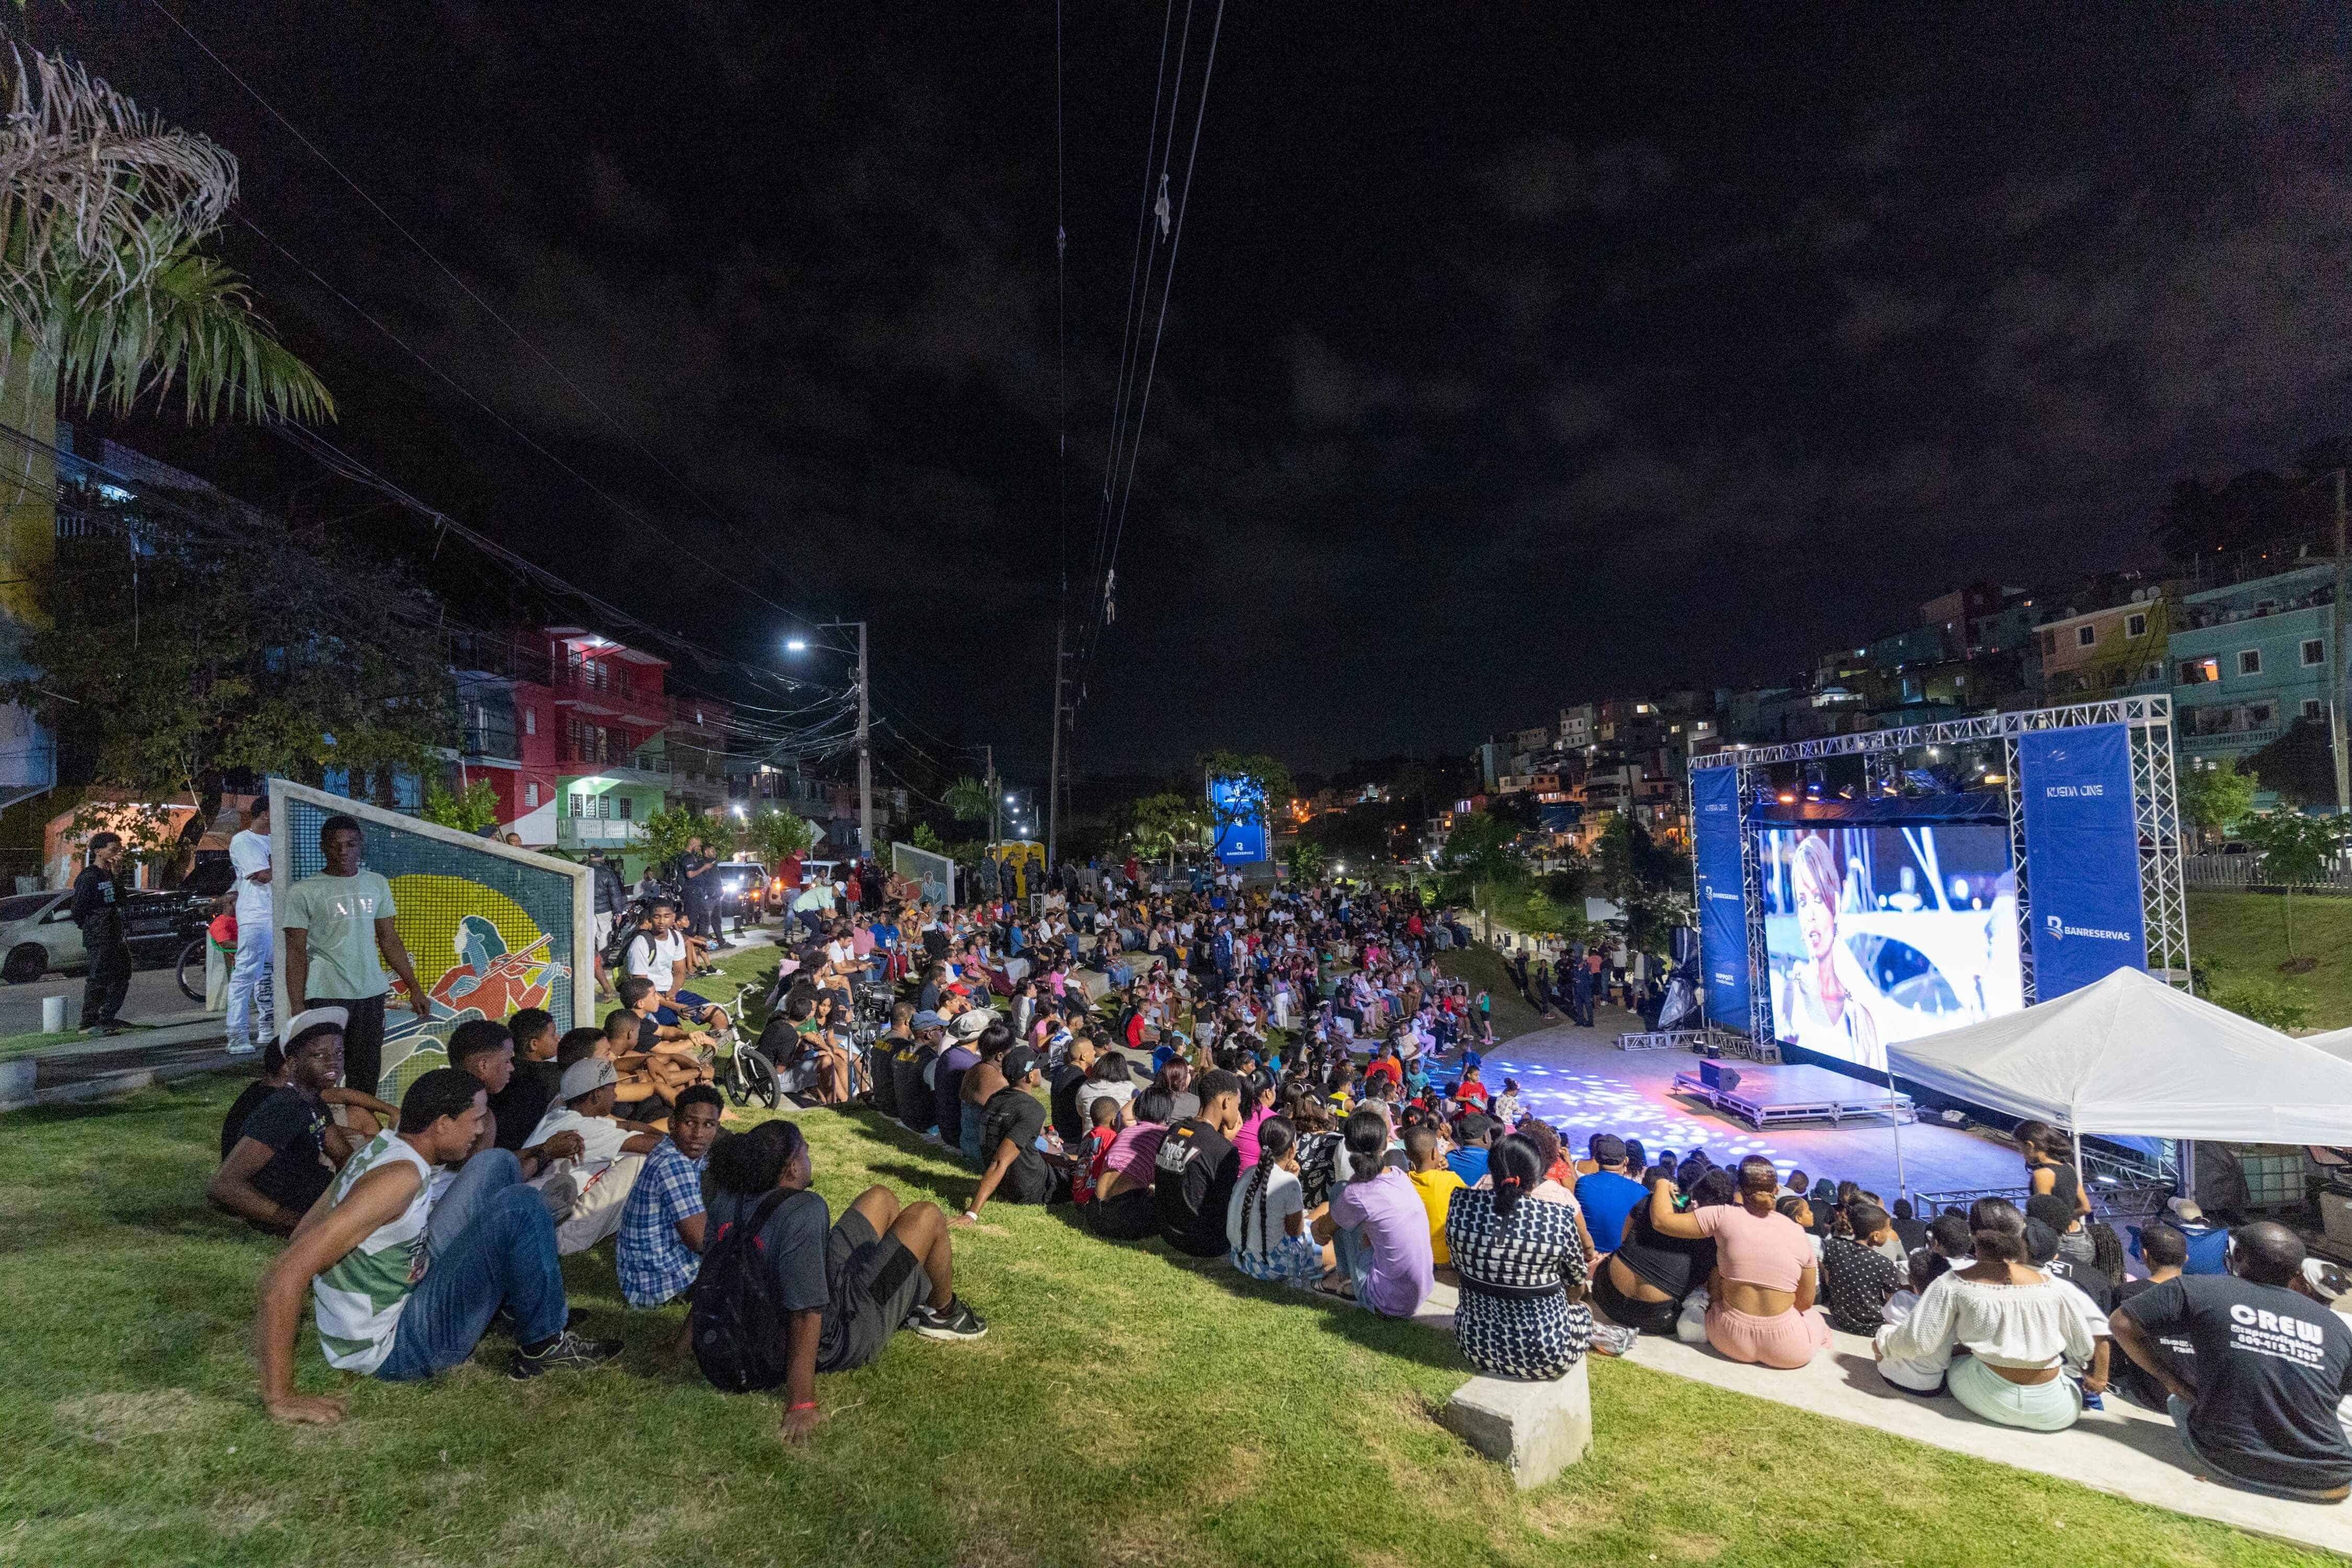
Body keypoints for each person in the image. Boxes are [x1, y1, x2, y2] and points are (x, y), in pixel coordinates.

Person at [252, 1067, 621, 1424]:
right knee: (521, 1206)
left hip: (410, 1288)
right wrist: (281, 1397)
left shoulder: (385, 1147)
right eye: (475, 1120)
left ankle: (516, 1307)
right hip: (397, 1348)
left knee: (495, 1164)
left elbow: (303, 1233)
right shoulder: (398, 1179)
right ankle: (545, 1347)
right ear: (442, 1124)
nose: (479, 1130)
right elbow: (283, 1276)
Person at [701, 1119, 984, 1443]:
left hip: (828, 1284)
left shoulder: (731, 1196)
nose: (809, 1154)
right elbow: (807, 1313)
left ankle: (904, 1287)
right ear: (792, 1169)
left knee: (881, 1198)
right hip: (839, 1333)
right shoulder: (804, 1211)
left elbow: (712, 1272)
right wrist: (800, 1402)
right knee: (927, 1216)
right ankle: (944, 1313)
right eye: (805, 1151)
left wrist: (687, 1345)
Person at [2114, 1221, 2352, 1501]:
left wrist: (2170, 1380)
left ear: (2237, 1258)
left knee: (2179, 1400)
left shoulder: (2194, 1289)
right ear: (2296, 1272)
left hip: (2230, 1460)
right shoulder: (2335, 1327)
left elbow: (2121, 1324)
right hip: (2331, 1477)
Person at [1874, 1198, 2101, 1431]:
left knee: (1955, 1360)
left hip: (1989, 1397)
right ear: (2020, 1233)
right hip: (2056, 1410)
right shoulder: (2052, 1285)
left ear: (1972, 1235)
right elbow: (2085, 1347)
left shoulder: (1952, 1284)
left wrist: (1884, 1343)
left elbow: (1919, 1343)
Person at [282, 814, 429, 1099]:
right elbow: (296, 953)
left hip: (371, 994)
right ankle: (323, 1132)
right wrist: (297, 1005)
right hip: (325, 993)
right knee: (323, 1075)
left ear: (360, 846)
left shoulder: (377, 883)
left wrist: (415, 988)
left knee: (365, 1075)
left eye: (350, 844)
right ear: (323, 848)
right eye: (336, 845)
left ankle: (361, 1134)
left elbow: (390, 939)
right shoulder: (303, 891)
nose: (343, 851)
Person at [1643, 1156, 1828, 1369]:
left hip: (1728, 1337)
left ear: (1739, 1187)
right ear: (1776, 1190)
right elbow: (1804, 1302)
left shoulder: (1722, 1216)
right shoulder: (1798, 1234)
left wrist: (1661, 1183)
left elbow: (1661, 1221)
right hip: (1787, 1350)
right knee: (1815, 1319)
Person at [1447, 1132, 1594, 1381]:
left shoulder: (1461, 1203)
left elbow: (1457, 1263)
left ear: (1492, 1169)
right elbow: (1577, 1285)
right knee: (1585, 1311)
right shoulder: (1557, 1217)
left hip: (1473, 1345)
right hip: (1546, 1355)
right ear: (1536, 1177)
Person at [209, 1009, 362, 1233]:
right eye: (319, 1055)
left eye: (339, 1053)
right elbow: (223, 1186)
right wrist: (300, 1223)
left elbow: (343, 1155)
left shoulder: (312, 1101)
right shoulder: (283, 1108)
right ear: (291, 1065)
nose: (333, 1063)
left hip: (315, 1194)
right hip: (291, 1206)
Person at [526, 1057, 666, 1252]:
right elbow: (652, 1146)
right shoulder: (584, 1127)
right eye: (611, 1089)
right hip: (554, 1232)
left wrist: (664, 1135)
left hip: (535, 1212)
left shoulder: (560, 1113)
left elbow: (627, 1125)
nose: (616, 1094)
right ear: (596, 1096)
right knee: (641, 1162)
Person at [1314, 1108, 1436, 1318]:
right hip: (1420, 1292)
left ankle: (1345, 1281)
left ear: (1349, 1147)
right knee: (1349, 1202)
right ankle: (1349, 1278)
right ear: (1384, 1144)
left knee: (1338, 1191)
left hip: (1385, 1302)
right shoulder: (1399, 1176)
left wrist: (1318, 1228)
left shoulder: (1356, 1193)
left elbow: (1322, 1231)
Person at [1776, 832, 1882, 1068]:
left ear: (1835, 904)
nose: (1810, 915)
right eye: (1802, 902)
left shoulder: (1859, 1010)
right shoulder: (1792, 990)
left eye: (1818, 898)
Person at [1591, 1167, 1735, 1339]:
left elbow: (1624, 1239)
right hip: (1655, 1318)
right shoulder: (1714, 1238)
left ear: (1695, 1190)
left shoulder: (1656, 1202)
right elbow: (1714, 1291)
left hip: (1606, 1294)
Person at [616, 1085, 724, 1309]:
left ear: (717, 1127)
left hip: (642, 1274)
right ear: (673, 1124)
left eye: (708, 1125)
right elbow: (702, 1242)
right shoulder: (674, 1164)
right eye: (690, 1123)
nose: (699, 1134)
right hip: (659, 1283)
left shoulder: (671, 1149)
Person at [446, 1018, 585, 1180]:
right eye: (506, 1061)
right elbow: (482, 1182)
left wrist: (544, 1147)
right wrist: (546, 1152)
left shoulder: (448, 1091)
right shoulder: (480, 1116)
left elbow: (491, 1161)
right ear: (483, 1065)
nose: (511, 1068)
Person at [1227, 1116, 1329, 1288]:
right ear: (1292, 1149)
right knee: (1331, 1246)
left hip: (1240, 1258)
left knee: (1324, 1209)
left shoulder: (1249, 1173)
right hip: (1269, 1265)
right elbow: (1295, 1232)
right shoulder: (1288, 1183)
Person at [1156, 1068, 1247, 1258]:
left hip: (1167, 1229)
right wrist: (1227, 1144)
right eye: (1238, 1105)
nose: (1239, 1112)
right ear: (1226, 1102)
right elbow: (1224, 1207)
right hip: (1201, 1242)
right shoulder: (1223, 1150)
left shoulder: (1175, 1129)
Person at [2111, 1222, 2196, 1411]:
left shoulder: (2126, 1294)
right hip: (2197, 1393)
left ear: (2145, 1255)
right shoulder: (2203, 1293)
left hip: (2147, 1393)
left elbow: (2116, 1342)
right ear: (2186, 1258)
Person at [962, 1046, 1055, 1219]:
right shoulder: (1033, 1110)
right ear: (1030, 1076)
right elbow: (999, 1162)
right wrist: (971, 1214)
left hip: (1006, 1184)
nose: (1040, 1071)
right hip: (1031, 1189)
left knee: (1064, 1160)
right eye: (1038, 1068)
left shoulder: (996, 1099)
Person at [226, 799, 274, 1055]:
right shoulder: (244, 840)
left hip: (280, 916)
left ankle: (269, 1030)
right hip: (257, 917)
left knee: (270, 975)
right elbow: (262, 874)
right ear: (266, 814)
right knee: (246, 975)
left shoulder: (275, 840)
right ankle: (236, 1035)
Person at [1818, 1200, 1909, 1335]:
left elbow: (1828, 1278)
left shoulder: (1834, 1246)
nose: (1890, 1232)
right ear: (1876, 1236)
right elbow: (1893, 1304)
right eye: (1888, 1229)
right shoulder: (1882, 1263)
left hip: (1840, 1319)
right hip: (1872, 1326)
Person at [73, 832, 132, 1035]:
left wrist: (117, 875)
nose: (118, 853)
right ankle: (88, 1022)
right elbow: (78, 909)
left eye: (119, 849)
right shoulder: (89, 877)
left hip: (115, 932)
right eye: (113, 849)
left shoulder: (111, 874)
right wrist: (93, 925)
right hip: (99, 933)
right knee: (98, 976)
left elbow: (121, 899)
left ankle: (107, 1017)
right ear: (98, 852)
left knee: (122, 974)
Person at [2014, 1120, 2093, 1264]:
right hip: (2081, 1240)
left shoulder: (2043, 1174)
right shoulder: (2069, 1167)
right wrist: (2065, 1220)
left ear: (2030, 1145)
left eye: (2020, 1148)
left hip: (2059, 1244)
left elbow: (2043, 1220)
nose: (2022, 1154)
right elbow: (2086, 1208)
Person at [488, 1007, 563, 1152]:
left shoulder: (503, 1072)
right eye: (553, 1034)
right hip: (534, 1148)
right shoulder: (554, 1074)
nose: (558, 1038)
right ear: (534, 1044)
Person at [1573, 1134, 1645, 1260]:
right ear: (1626, 1161)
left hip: (1589, 1258)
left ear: (1597, 1159)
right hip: (1622, 1261)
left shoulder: (1583, 1184)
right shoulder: (1641, 1192)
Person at [891, 1011, 945, 1138]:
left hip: (906, 1118)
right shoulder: (931, 1062)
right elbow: (941, 1099)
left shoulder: (900, 1053)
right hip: (926, 1124)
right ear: (929, 1034)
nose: (942, 1033)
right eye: (940, 1029)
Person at [1447, 1113, 1496, 1187]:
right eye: (1490, 1135)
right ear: (1486, 1137)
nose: (1492, 1140)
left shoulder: (1447, 1159)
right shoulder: (1495, 1163)